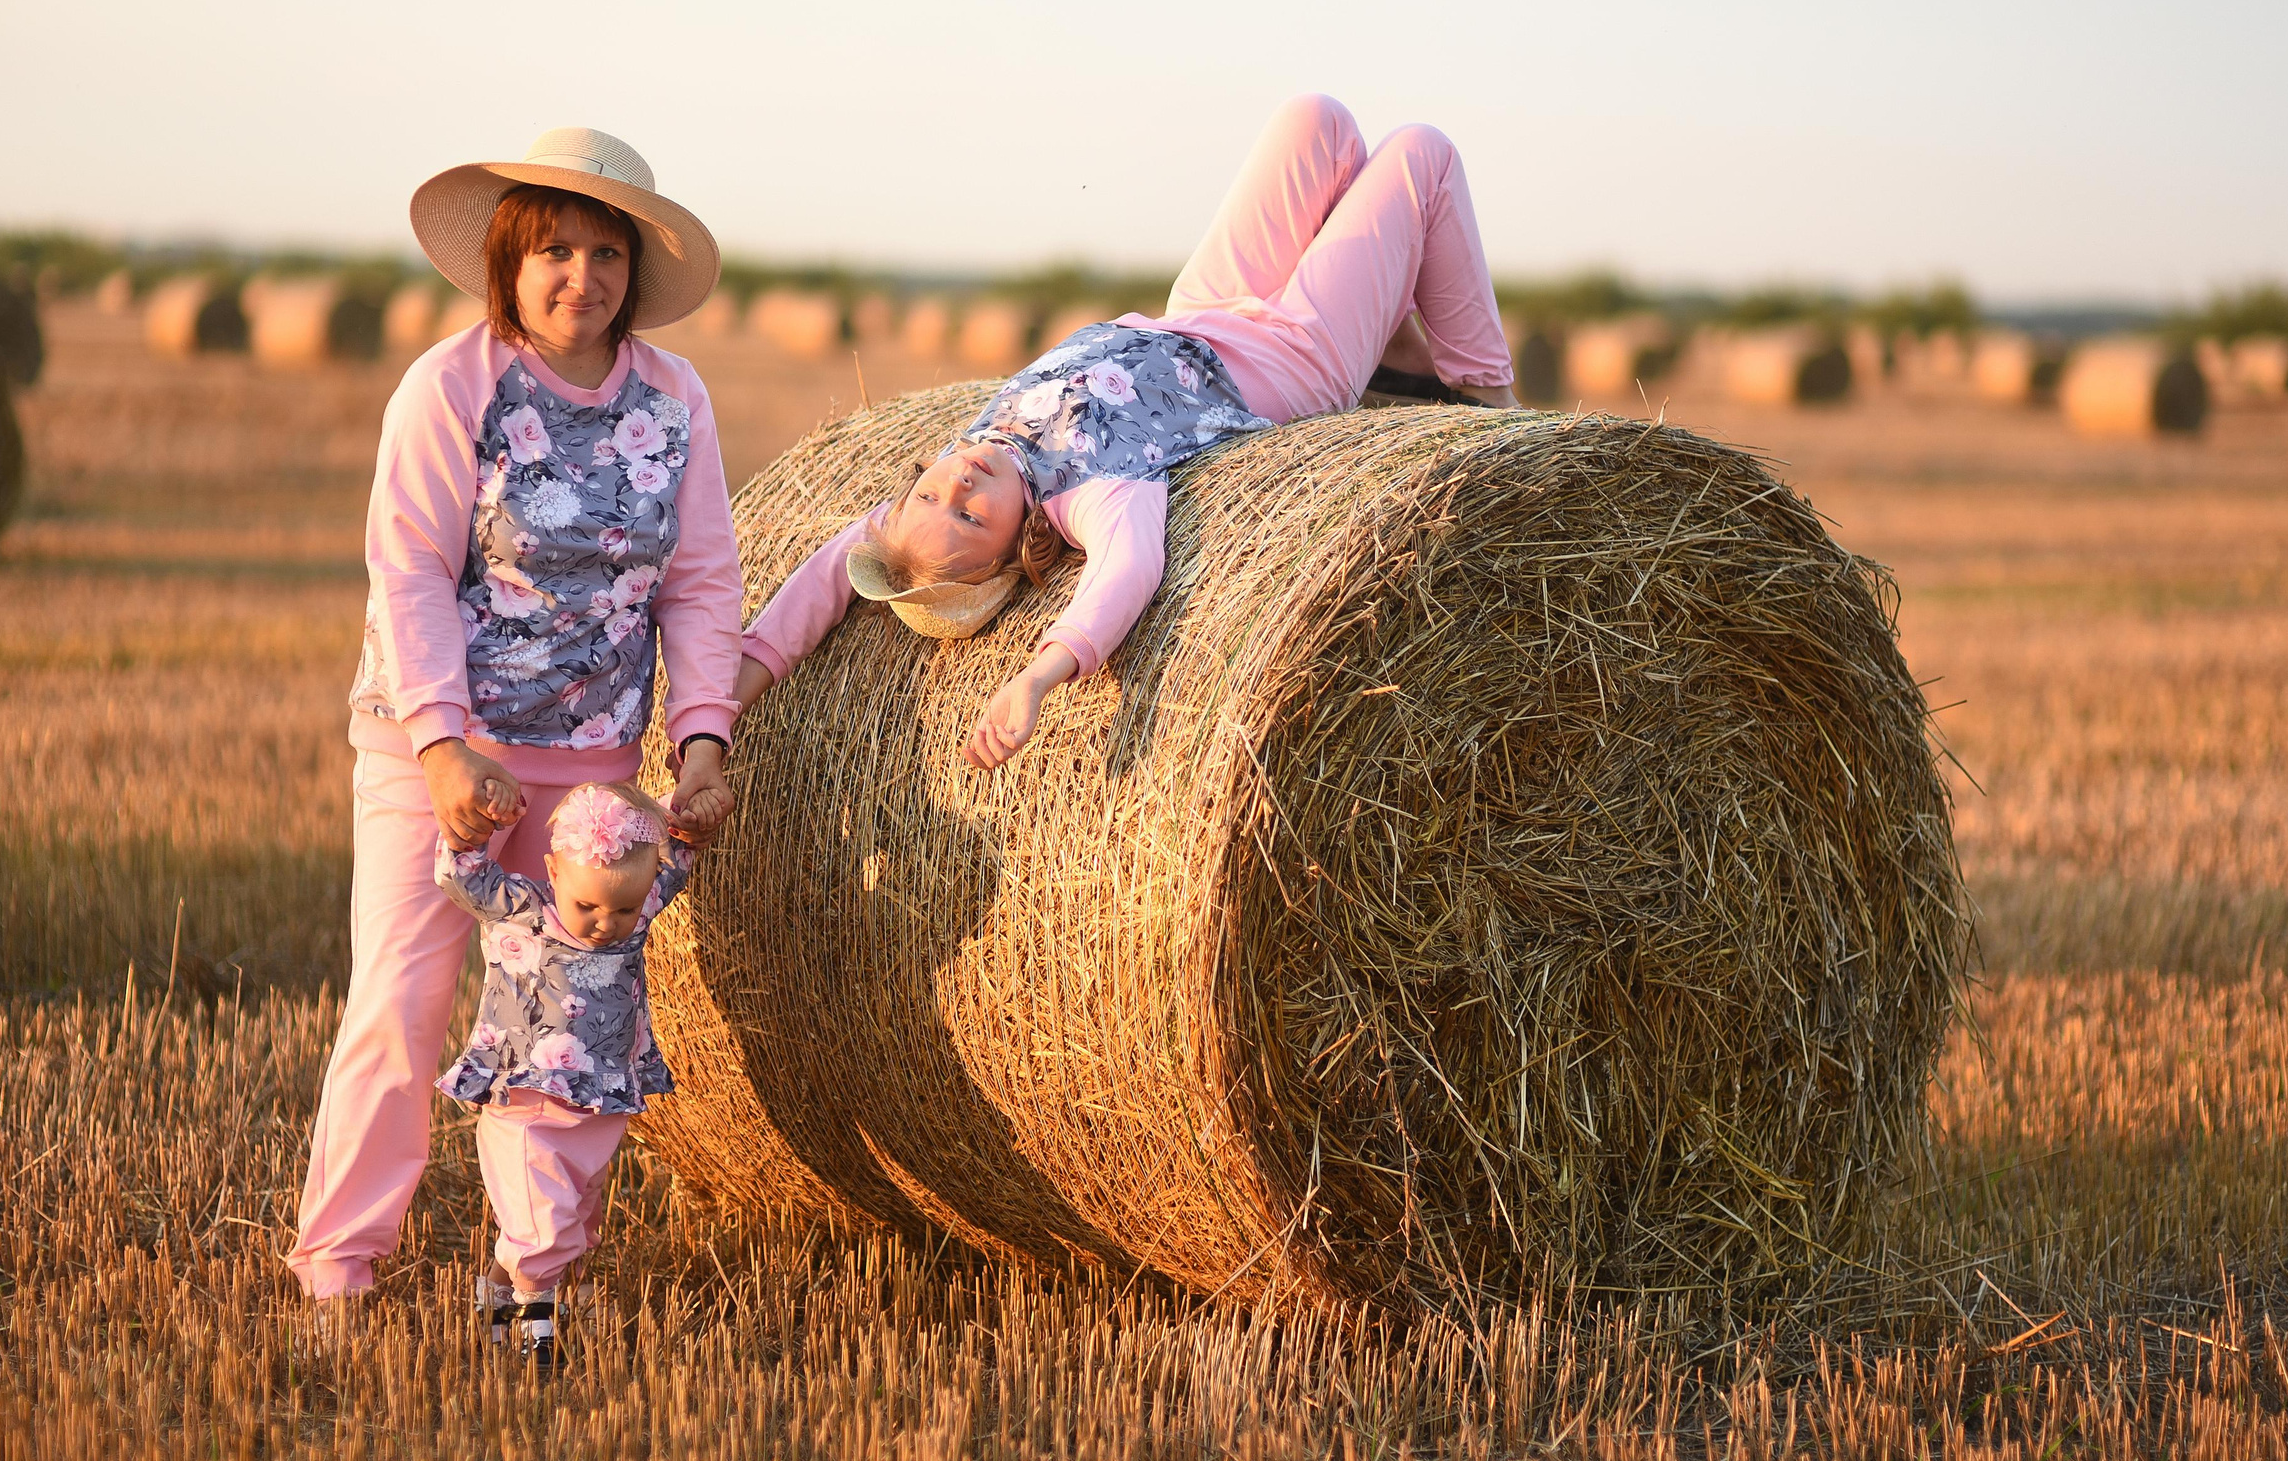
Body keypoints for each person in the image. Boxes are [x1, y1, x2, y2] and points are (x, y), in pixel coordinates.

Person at [287, 128, 746, 1304]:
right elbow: (408, 569)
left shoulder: (674, 396)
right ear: (509, 258)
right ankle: (339, 1271)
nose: (580, 276)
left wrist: (700, 742)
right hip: (433, 753)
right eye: (554, 250)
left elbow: (701, 580)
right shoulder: (452, 386)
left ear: (634, 269)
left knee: (568, 1024)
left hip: (589, 767)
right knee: (401, 1009)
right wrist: (443, 746)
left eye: (606, 253)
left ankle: (531, 1277)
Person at [733, 94, 1516, 765]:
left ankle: (1397, 347)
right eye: (971, 518)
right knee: (1423, 154)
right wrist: (1040, 674)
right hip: (1293, 356)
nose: (959, 484)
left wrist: (737, 685)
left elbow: (829, 575)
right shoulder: (1086, 492)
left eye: (933, 494)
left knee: (1319, 121)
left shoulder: (959, 463)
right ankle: (1485, 392)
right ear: (1015, 548)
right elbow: (1128, 568)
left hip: (1198, 310)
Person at [434, 781, 702, 1366]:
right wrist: (473, 827)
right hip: (527, 1102)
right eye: (589, 907)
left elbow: (675, 866)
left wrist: (686, 818)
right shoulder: (524, 907)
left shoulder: (638, 909)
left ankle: (494, 1302)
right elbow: (460, 875)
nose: (607, 923)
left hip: (597, 1107)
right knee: (544, 1226)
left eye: (623, 909)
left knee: (572, 1217)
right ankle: (538, 1338)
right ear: (553, 871)